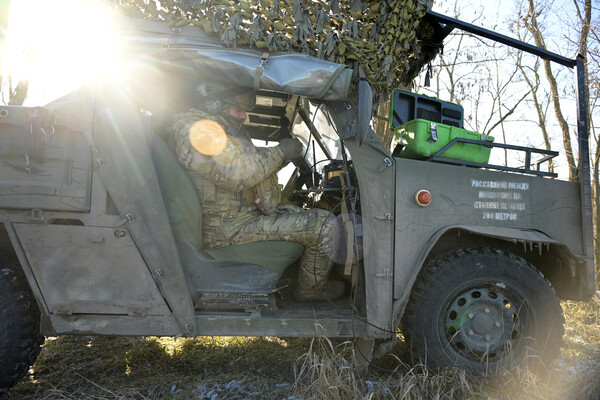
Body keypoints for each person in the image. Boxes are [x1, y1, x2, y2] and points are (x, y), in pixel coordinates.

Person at [168, 82, 344, 302]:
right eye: (239, 108)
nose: (244, 116)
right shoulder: (197, 129)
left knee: (304, 212)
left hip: (238, 219)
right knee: (325, 225)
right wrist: (280, 152)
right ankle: (311, 291)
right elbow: (238, 172)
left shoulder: (215, 128)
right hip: (227, 230)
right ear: (215, 103)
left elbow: (245, 158)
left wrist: (282, 156)